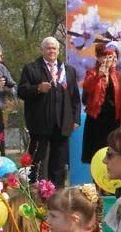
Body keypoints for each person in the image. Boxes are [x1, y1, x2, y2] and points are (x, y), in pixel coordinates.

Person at [17, 36, 80, 186]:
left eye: (54, 48)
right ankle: (37, 193)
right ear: (42, 50)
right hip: (40, 125)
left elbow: (75, 98)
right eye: (48, 48)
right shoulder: (31, 68)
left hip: (62, 125)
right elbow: (21, 91)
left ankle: (56, 194)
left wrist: (76, 120)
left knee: (58, 164)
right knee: (37, 163)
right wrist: (37, 88)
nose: (51, 51)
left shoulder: (68, 70)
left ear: (58, 51)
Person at [81, 40, 121, 164]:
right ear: (98, 58)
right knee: (96, 153)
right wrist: (99, 75)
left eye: (111, 56)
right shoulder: (92, 73)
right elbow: (87, 89)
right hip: (96, 119)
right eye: (105, 56)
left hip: (113, 119)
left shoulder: (118, 76)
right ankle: (97, 180)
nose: (108, 59)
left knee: (114, 152)